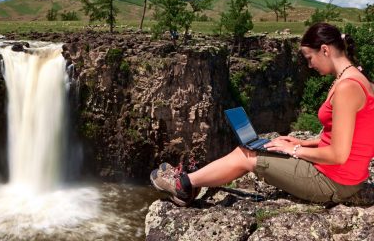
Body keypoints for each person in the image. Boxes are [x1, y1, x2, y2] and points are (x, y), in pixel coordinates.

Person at [150, 22, 374, 206]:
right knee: (252, 148)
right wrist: (303, 142)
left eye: (309, 58)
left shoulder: (347, 87)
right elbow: (344, 136)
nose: (309, 65)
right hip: (341, 174)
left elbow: (339, 155)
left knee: (246, 156)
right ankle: (193, 181)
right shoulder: (353, 79)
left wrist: (294, 150)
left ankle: (183, 186)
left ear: (325, 50)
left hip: (333, 181)